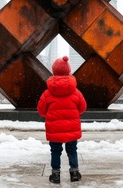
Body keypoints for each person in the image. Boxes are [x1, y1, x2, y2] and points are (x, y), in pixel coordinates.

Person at [37, 56, 87, 184]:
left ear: (54, 71)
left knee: (55, 151)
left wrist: (51, 115)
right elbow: (83, 107)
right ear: (68, 71)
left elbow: (41, 110)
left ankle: (55, 175)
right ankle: (74, 172)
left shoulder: (47, 93)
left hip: (55, 128)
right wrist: (73, 114)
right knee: (72, 150)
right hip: (71, 128)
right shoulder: (76, 92)